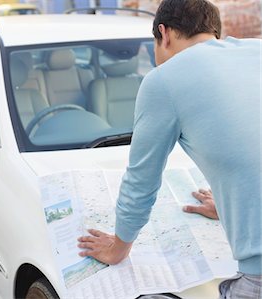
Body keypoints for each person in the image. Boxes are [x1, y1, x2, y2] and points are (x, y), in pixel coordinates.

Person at [77, 0, 261, 298]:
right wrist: (234, 204)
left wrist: (118, 248)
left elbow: (142, 181)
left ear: (163, 33)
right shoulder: (256, 50)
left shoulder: (165, 79)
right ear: (215, 32)